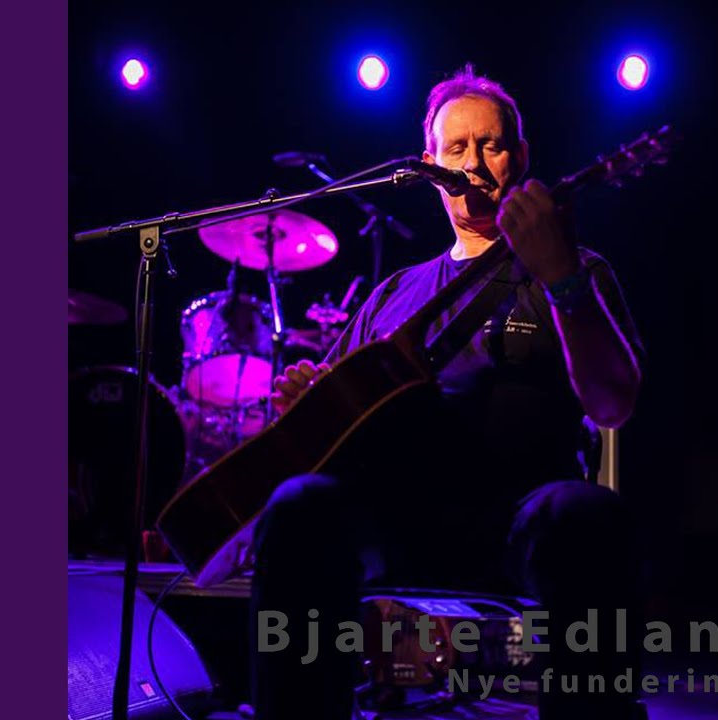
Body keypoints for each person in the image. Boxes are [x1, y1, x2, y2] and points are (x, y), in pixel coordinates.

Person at [251, 65, 647, 720]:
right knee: (299, 505)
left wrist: (563, 281)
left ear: (520, 157)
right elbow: (339, 425)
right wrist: (310, 409)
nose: (474, 164)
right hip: (397, 518)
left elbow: (614, 403)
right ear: (429, 164)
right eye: (457, 148)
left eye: (491, 145)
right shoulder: (393, 294)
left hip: (519, 519)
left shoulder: (572, 268)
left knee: (587, 517)